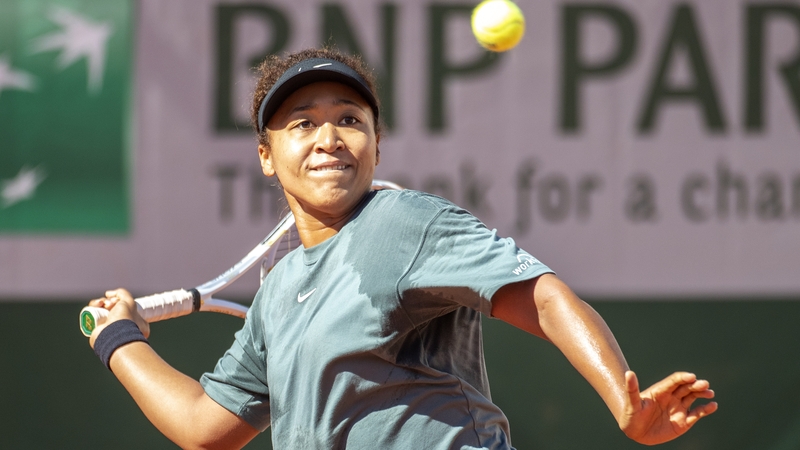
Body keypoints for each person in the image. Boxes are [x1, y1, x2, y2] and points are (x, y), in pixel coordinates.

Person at [86, 47, 717, 449]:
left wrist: (624, 404)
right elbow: (205, 427)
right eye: (302, 123)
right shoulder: (278, 293)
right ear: (266, 157)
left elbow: (546, 298)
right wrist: (120, 339)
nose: (329, 137)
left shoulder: (404, 222)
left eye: (350, 120)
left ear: (376, 147)